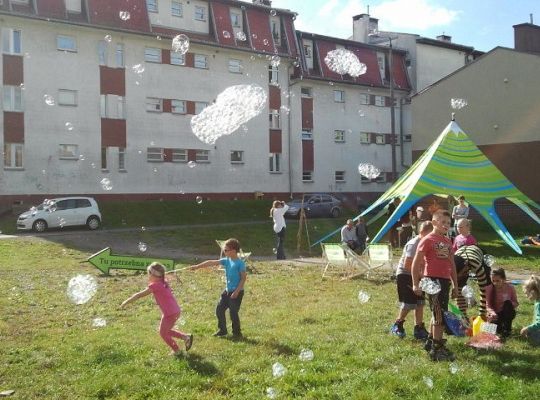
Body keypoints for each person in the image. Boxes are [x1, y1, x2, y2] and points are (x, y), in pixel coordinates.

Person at [412, 209, 458, 362]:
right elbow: (416, 263)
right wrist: (415, 284)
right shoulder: (427, 239)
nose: (446, 225)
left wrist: (455, 286)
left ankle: (431, 341)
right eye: (443, 222)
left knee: (438, 312)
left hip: (444, 282)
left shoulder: (447, 241)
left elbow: (451, 265)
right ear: (434, 222)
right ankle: (437, 350)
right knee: (439, 315)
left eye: (448, 223)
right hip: (432, 281)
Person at [120, 262, 193, 356]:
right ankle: (185, 337)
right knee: (165, 331)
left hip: (170, 313)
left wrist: (125, 302)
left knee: (163, 333)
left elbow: (139, 295)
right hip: (173, 311)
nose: (148, 276)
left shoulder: (155, 286)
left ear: (153, 275)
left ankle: (177, 351)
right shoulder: (163, 282)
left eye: (148, 273)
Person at [189, 238, 247, 338]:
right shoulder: (226, 260)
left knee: (233, 313)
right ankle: (222, 330)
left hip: (237, 292)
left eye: (226, 250)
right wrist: (197, 266)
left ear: (233, 251)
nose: (224, 251)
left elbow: (243, 279)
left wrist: (237, 291)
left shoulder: (240, 263)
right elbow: (211, 262)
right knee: (219, 309)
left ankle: (237, 333)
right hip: (227, 291)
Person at [390, 221, 433, 340]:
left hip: (418, 276)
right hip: (405, 275)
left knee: (420, 302)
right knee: (409, 304)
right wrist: (421, 275)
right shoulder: (414, 244)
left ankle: (418, 328)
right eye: (431, 233)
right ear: (423, 232)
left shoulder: (427, 243)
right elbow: (408, 264)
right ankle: (397, 325)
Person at [453, 245, 491, 318]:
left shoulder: (476, 265)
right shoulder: (452, 268)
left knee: (488, 285)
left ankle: (491, 309)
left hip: (479, 254)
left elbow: (484, 290)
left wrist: (482, 313)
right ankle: (463, 316)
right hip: (461, 254)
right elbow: (458, 293)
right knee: (460, 287)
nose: (464, 275)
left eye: (464, 273)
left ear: (466, 266)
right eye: (458, 276)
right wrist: (462, 316)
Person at [485, 267, 518, 338]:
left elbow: (516, 303)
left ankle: (507, 329)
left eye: (498, 281)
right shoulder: (489, 288)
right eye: (493, 281)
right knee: (495, 331)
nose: (495, 283)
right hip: (495, 315)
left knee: (507, 303)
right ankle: (500, 327)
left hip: (507, 312)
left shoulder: (510, 287)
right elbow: (488, 305)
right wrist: (492, 313)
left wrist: (508, 303)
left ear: (503, 279)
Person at [520, 275, 540, 346]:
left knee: (529, 333)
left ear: (533, 292)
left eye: (527, 294)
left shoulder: (539, 304)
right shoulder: (538, 301)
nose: (526, 296)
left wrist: (528, 328)